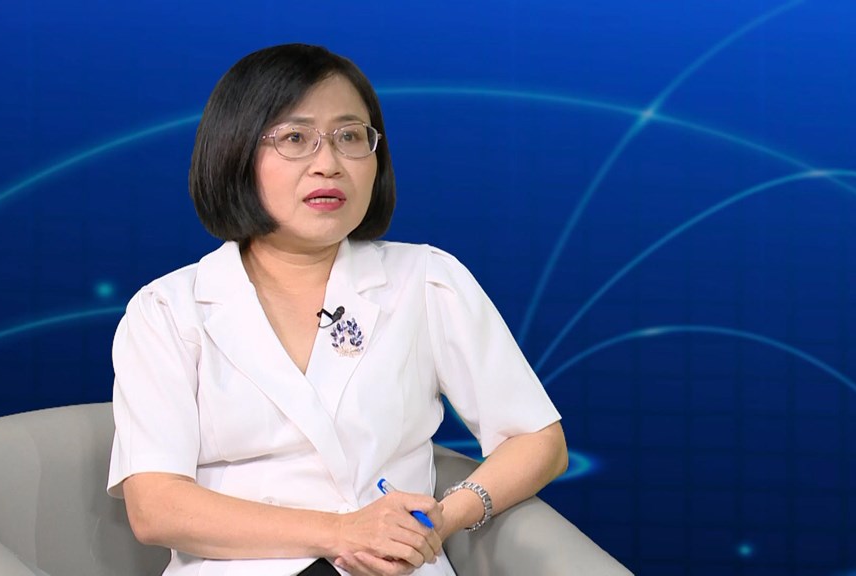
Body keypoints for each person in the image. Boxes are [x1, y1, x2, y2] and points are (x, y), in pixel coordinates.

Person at [107, 43, 568, 576]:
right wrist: (340, 531)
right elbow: (156, 507)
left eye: (350, 137)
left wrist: (440, 519)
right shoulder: (167, 310)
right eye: (295, 139)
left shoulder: (425, 279)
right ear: (235, 152)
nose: (327, 164)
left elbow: (539, 440)